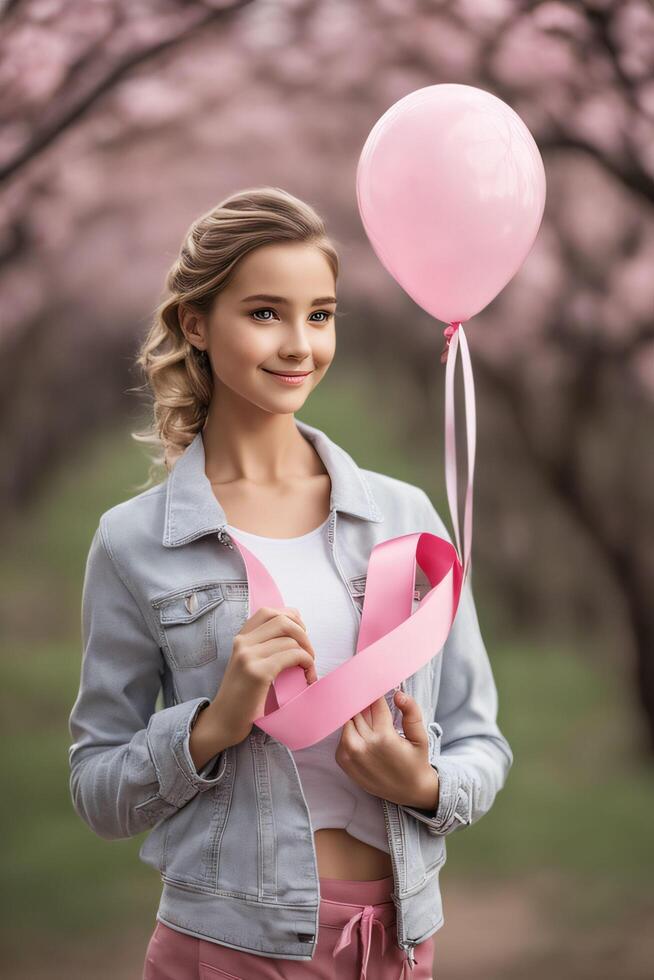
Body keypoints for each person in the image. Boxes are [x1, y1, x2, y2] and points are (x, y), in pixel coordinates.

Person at [67, 187, 514, 980]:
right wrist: (213, 723)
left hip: (399, 949)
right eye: (266, 313)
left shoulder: (405, 520)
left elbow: (479, 739)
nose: (299, 344)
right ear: (196, 324)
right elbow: (97, 790)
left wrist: (423, 783)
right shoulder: (134, 542)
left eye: (320, 313)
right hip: (230, 947)